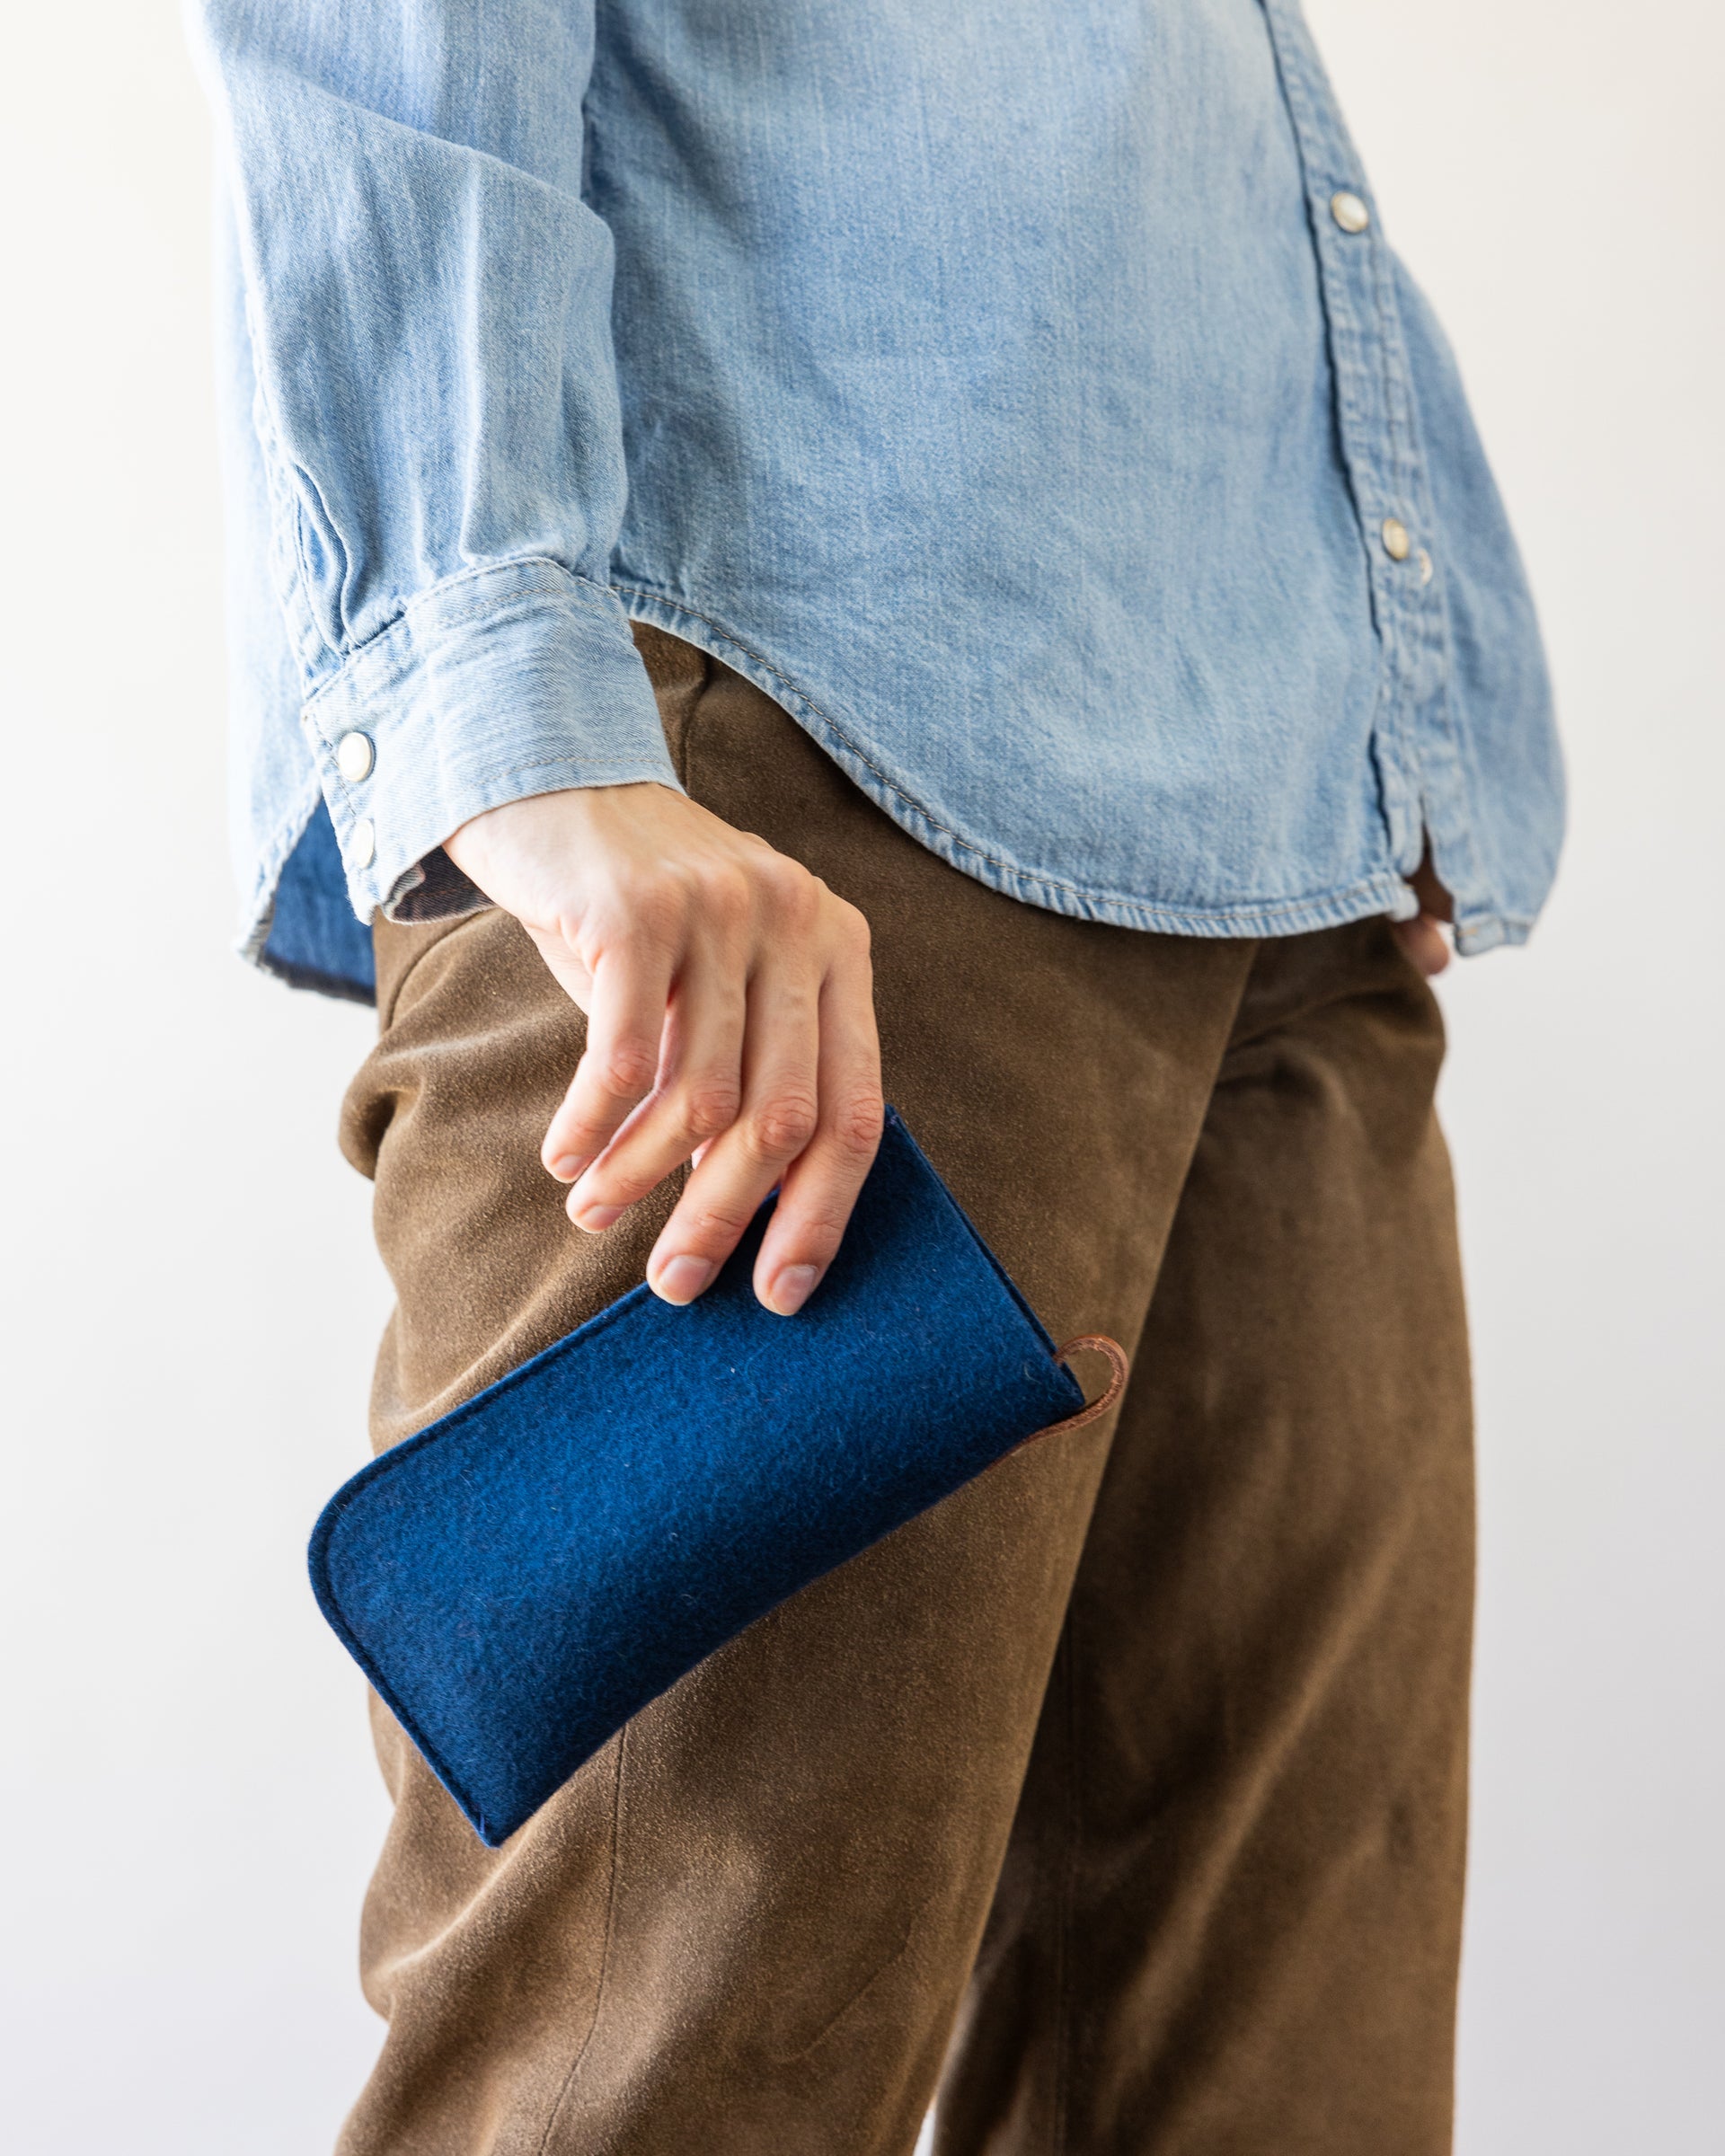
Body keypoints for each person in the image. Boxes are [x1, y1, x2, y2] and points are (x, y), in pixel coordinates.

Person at [190, 1, 1564, 2149]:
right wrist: (511, 716)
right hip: (767, 805)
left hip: (1283, 828)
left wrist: (1399, 682)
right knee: (657, 2087)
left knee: (1295, 2092)